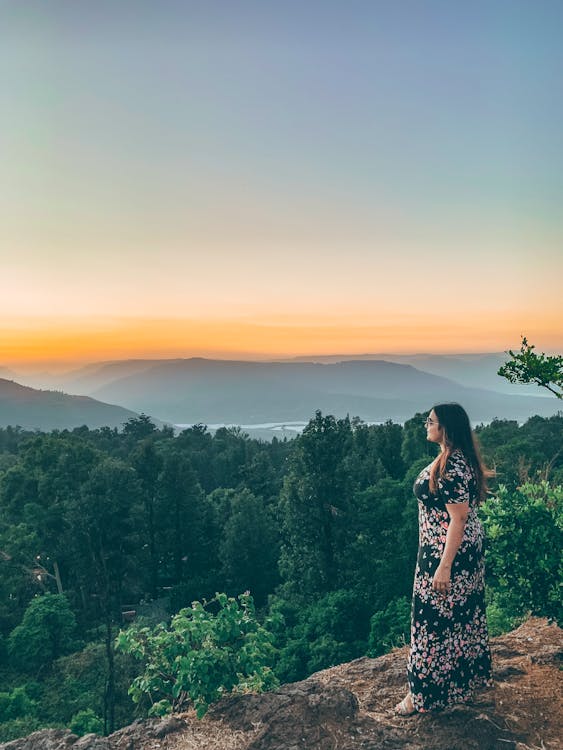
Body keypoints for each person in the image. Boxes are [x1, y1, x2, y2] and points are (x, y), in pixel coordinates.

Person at [395, 402, 493, 715]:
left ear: (446, 428)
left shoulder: (453, 466)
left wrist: (444, 567)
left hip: (448, 554)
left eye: (431, 420)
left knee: (429, 621)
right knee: (459, 618)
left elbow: (459, 519)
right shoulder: (452, 458)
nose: (426, 423)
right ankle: (458, 687)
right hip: (451, 550)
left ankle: (420, 695)